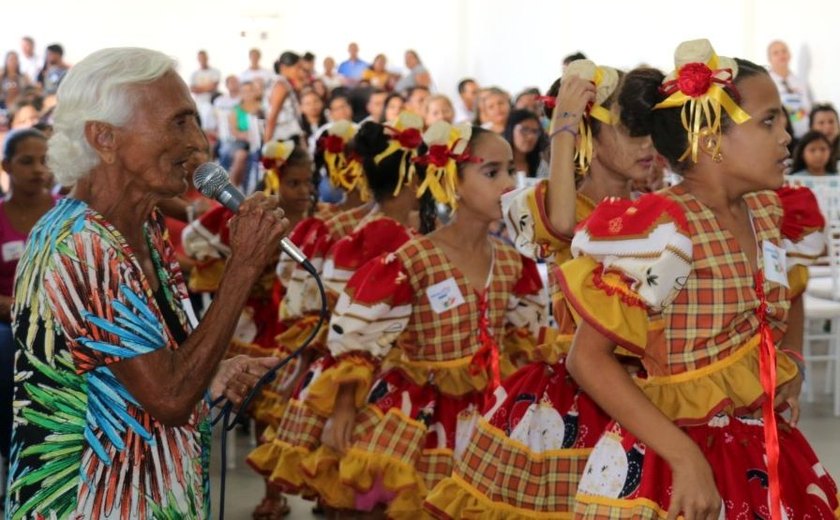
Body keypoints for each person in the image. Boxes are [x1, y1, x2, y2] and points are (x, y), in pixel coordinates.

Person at [561, 39, 838, 518]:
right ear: (709, 138)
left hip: (760, 445)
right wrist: (684, 457)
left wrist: (787, 361)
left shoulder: (769, 211)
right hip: (676, 456)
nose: (786, 136)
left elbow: (788, 293)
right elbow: (587, 360)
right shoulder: (665, 228)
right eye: (768, 121)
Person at [6, 47, 286, 519]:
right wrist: (242, 268)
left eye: (196, 122)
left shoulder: (144, 229)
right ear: (104, 138)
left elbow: (144, 372)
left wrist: (211, 374)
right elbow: (171, 398)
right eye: (179, 123)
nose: (199, 144)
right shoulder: (82, 244)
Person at [426, 59, 655, 519]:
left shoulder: (655, 211)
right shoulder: (543, 204)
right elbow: (568, 223)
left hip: (649, 388)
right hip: (581, 394)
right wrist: (564, 127)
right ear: (590, 129)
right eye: (633, 129)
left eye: (654, 130)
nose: (649, 143)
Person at [299, 123, 546, 517]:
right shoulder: (413, 258)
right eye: (492, 172)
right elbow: (362, 332)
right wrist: (345, 403)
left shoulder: (513, 264)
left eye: (511, 171)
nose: (508, 183)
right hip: (421, 415)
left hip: (489, 415)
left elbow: (526, 339)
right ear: (453, 180)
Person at [247, 115, 431, 518]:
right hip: (369, 382)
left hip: (360, 375)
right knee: (361, 491)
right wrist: (347, 399)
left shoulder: (371, 230)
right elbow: (354, 322)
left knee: (353, 492)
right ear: (407, 177)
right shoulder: (384, 236)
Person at [0, 129, 56, 468]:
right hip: (7, 321)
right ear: (6, 166)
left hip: (62, 319)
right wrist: (13, 306)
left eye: (45, 161)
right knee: (6, 353)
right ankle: (18, 455)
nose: (39, 170)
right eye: (27, 161)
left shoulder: (69, 214)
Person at [767, 40, 813, 140]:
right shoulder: (767, 82)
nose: (781, 55)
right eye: (776, 53)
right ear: (769, 59)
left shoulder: (800, 82)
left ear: (789, 55)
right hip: (780, 136)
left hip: (804, 134)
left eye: (784, 51)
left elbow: (808, 106)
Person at [265, 51, 304, 143]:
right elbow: (272, 116)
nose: (300, 71)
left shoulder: (283, 83)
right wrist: (266, 143)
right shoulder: (281, 86)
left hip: (289, 134)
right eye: (298, 67)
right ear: (284, 67)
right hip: (285, 136)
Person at [502, 108, 547, 178]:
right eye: (525, 129)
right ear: (510, 130)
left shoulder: (540, 165)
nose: (530, 137)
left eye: (535, 131)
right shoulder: (498, 162)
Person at [809, 103, 840, 168]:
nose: (828, 126)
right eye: (821, 123)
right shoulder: (804, 151)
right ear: (811, 128)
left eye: (831, 122)